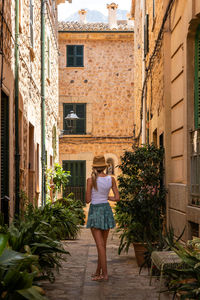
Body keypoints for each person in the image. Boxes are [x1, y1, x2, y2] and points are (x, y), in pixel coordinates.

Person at [86, 155, 120, 281]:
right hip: (106, 210)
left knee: (100, 246)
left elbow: (88, 200)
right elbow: (117, 198)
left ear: (94, 167)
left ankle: (104, 275)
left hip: (95, 211)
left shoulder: (90, 180)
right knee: (103, 245)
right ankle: (98, 271)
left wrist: (96, 195)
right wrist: (106, 197)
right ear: (104, 167)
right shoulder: (111, 180)